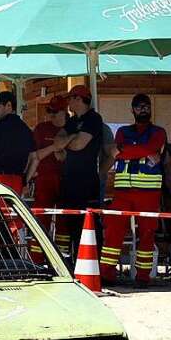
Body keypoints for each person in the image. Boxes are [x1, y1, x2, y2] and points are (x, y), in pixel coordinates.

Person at [99, 94, 167, 288]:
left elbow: (149, 147)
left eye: (146, 106)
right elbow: (116, 149)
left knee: (147, 234)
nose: (143, 109)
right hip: (122, 192)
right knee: (113, 230)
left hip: (149, 193)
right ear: (132, 110)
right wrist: (144, 151)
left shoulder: (159, 132)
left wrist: (127, 151)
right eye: (138, 106)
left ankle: (143, 277)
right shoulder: (122, 131)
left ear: (150, 109)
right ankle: (107, 275)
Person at [38, 84, 105, 259]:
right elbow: (58, 143)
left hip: (87, 181)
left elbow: (78, 144)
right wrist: (72, 138)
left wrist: (69, 140)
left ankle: (93, 265)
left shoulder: (93, 119)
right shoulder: (73, 121)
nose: (68, 102)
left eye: (70, 98)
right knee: (71, 224)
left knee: (89, 225)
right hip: (69, 181)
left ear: (78, 98)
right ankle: (76, 263)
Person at [0, 91, 34, 193]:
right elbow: (35, 158)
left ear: (9, 105)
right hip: (18, 181)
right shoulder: (27, 129)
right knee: (11, 209)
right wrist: (25, 181)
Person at [25, 94, 68, 208]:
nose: (51, 115)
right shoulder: (41, 128)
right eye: (49, 111)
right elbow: (35, 155)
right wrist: (54, 147)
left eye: (55, 111)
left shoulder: (71, 127)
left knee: (63, 219)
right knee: (42, 216)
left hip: (66, 178)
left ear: (64, 111)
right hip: (44, 178)